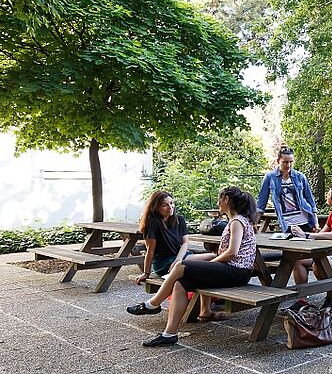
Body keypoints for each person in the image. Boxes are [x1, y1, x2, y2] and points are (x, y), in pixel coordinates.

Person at [126, 187, 258, 347]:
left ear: (227, 200)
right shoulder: (235, 221)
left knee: (181, 265)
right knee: (181, 284)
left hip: (237, 271)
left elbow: (232, 252)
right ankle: (169, 334)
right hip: (231, 269)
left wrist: (210, 264)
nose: (218, 203)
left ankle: (153, 304)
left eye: (219, 199)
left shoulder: (237, 221)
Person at [257, 145, 319, 233]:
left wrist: (315, 221)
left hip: (305, 221)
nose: (288, 165)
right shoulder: (270, 177)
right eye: (285, 162)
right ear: (278, 161)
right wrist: (255, 222)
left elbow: (309, 198)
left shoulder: (300, 177)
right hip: (287, 224)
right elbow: (261, 202)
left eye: (291, 162)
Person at [134, 191, 191, 285]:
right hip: (164, 263)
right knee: (205, 263)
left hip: (180, 258)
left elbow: (185, 243)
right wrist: (146, 273)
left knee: (212, 257)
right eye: (165, 205)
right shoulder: (152, 222)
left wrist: (178, 260)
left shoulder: (179, 219)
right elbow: (150, 250)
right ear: (156, 207)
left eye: (171, 203)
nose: (170, 207)